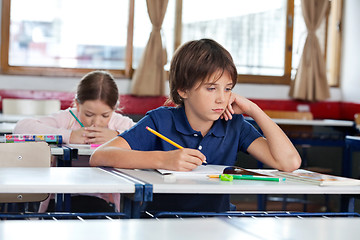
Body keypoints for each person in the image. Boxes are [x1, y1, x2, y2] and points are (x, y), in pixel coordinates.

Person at [90, 39, 301, 213]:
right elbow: (100, 155)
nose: (221, 98)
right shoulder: (161, 120)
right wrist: (164, 159)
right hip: (162, 225)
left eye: (227, 89)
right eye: (211, 89)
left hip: (217, 224)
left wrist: (253, 109)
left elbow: (289, 162)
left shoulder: (234, 124)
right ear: (183, 90)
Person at [14, 70, 135, 213]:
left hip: (101, 198)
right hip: (60, 196)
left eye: (105, 115)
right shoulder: (68, 118)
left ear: (114, 108)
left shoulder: (118, 123)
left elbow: (147, 137)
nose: (96, 122)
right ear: (78, 105)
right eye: (89, 114)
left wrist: (117, 136)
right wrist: (69, 135)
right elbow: (20, 128)